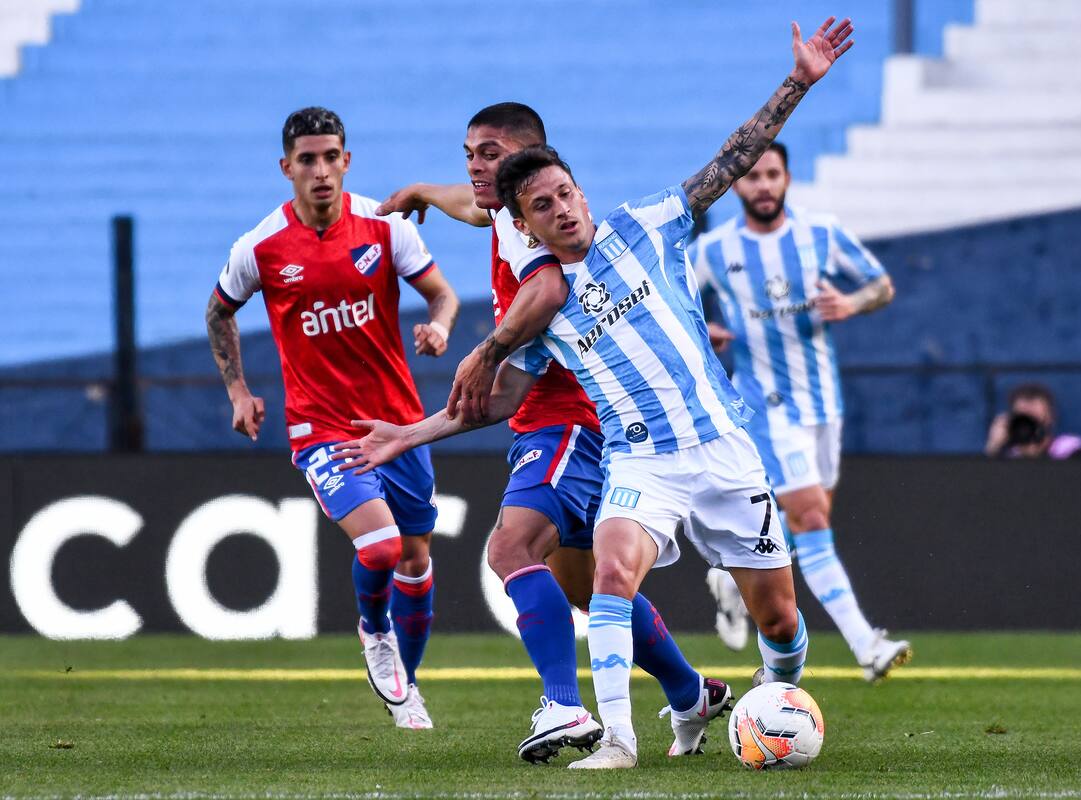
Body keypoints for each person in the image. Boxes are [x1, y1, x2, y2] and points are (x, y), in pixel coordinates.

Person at [338, 15, 855, 769]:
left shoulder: (644, 223)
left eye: (566, 194)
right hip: (640, 461)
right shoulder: (539, 291)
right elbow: (507, 394)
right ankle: (615, 739)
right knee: (606, 577)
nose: (562, 209)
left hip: (722, 447)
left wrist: (798, 83)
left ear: (579, 188)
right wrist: (409, 433)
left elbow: (729, 159)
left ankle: (771, 697)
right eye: (542, 206)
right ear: (523, 221)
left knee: (777, 616)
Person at [369, 103, 729, 763]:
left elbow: (547, 288)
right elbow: (474, 206)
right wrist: (423, 192)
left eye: (488, 153)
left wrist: (488, 348)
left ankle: (565, 706)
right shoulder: (507, 210)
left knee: (510, 550)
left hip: (564, 418)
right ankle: (688, 692)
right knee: (588, 589)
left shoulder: (526, 233)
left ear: (525, 162)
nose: (474, 167)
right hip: (580, 420)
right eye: (468, 153)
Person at [204, 107, 458, 729]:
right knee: (381, 548)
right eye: (307, 160)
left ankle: (407, 687)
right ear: (286, 167)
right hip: (320, 428)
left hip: (399, 426)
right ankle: (375, 633)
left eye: (331, 157)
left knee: (416, 560)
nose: (321, 171)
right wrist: (238, 390)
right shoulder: (259, 248)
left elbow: (443, 294)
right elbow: (217, 313)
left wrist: (441, 328)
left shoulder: (385, 228)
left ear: (347, 160)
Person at [690, 142, 912, 682]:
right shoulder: (715, 250)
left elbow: (881, 286)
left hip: (823, 403)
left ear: (787, 178)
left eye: (773, 175)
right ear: (738, 185)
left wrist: (851, 304)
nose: (763, 185)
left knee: (808, 522)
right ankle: (866, 645)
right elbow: (681, 305)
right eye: (753, 177)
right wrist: (706, 333)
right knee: (811, 518)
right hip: (765, 402)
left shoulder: (821, 234)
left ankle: (730, 580)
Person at [985, 383, 1081, 460]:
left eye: (1035, 417)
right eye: (1024, 419)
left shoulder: (1069, 449)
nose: (1030, 426)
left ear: (1051, 418)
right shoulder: (1008, 457)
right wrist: (993, 447)